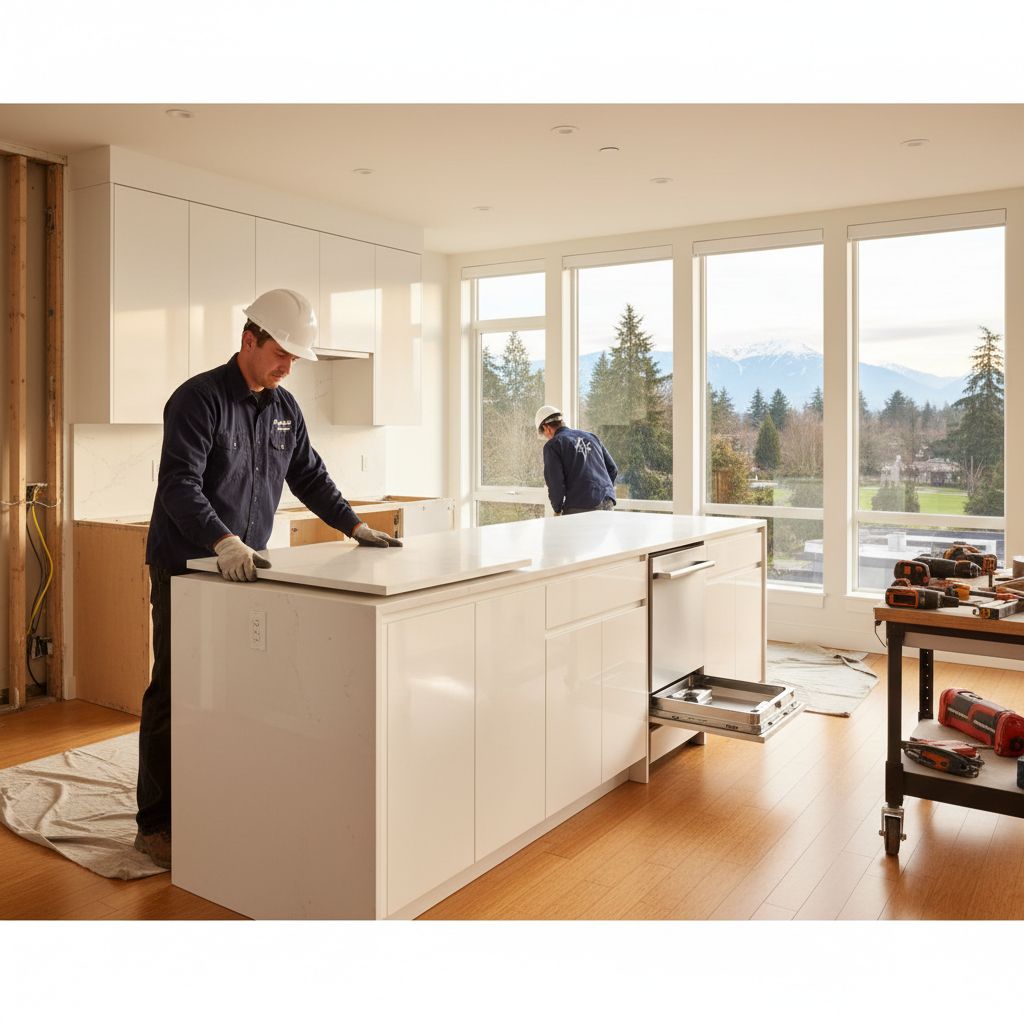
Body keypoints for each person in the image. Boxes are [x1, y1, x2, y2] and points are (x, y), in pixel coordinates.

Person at [135, 288, 400, 869]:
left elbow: (309, 473)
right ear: (249, 340)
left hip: (242, 568)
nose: (289, 367)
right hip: (188, 563)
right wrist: (222, 538)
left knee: (232, 691)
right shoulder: (198, 400)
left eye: (295, 359)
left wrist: (354, 526)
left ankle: (215, 800)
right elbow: (179, 484)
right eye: (282, 353)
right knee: (176, 690)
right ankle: (154, 823)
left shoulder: (284, 408)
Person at [535, 404, 618, 516]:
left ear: (546, 428)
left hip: (581, 505)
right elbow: (612, 469)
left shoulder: (553, 445)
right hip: (607, 501)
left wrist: (557, 509)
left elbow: (556, 483)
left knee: (567, 533)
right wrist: (602, 491)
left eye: (545, 434)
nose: (547, 438)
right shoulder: (591, 437)